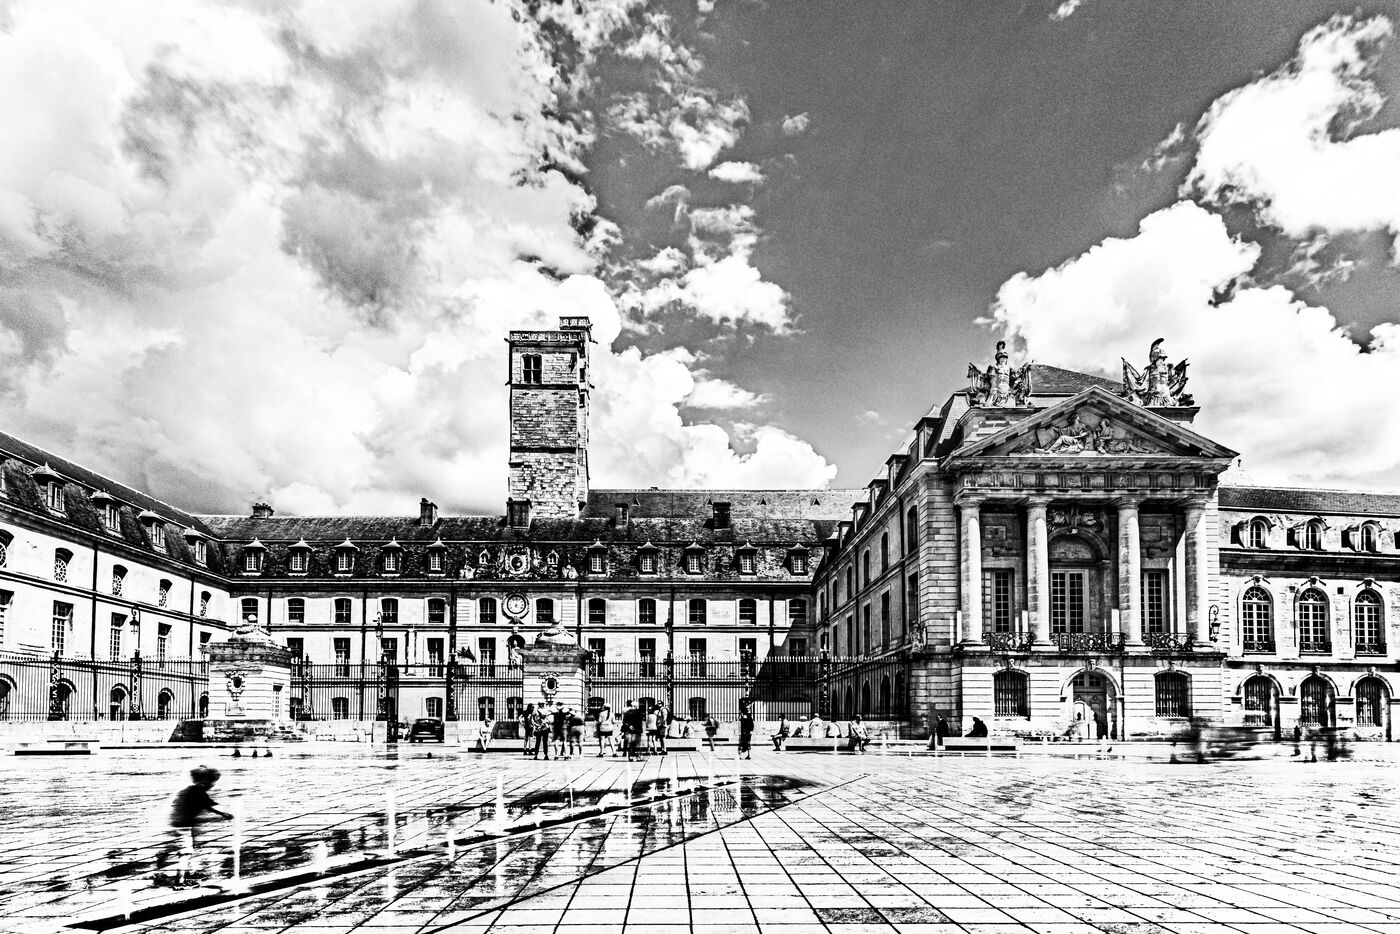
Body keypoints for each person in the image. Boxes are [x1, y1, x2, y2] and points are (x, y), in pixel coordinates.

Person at [163, 765, 232, 887]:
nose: (212, 785)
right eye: (212, 782)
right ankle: (179, 882)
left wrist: (222, 813)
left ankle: (182, 874)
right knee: (185, 854)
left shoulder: (190, 790)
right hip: (183, 826)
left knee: (185, 850)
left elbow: (207, 805)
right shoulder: (198, 792)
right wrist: (225, 813)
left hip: (177, 824)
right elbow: (211, 805)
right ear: (205, 781)